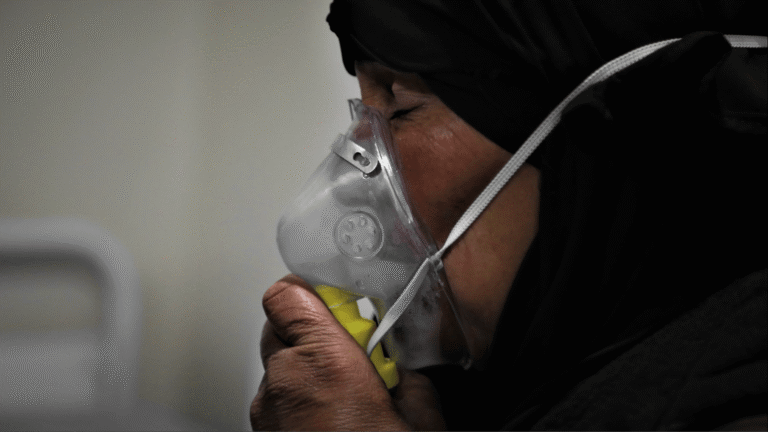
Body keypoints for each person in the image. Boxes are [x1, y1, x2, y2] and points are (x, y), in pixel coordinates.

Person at [251, 1, 767, 430]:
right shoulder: (522, 387)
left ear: (591, 143)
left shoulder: (738, 397)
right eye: (362, 116)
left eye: (400, 108)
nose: (349, 186)